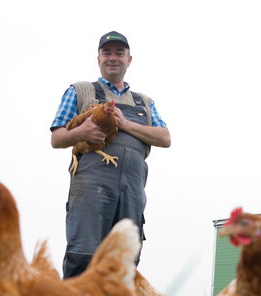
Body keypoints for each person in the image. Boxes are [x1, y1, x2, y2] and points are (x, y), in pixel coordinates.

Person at [50, 31, 171, 279]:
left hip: (131, 194)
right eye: (107, 53)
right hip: (90, 192)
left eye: (119, 53)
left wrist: (125, 125)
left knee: (124, 266)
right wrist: (81, 131)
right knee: (83, 258)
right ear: (98, 59)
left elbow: (165, 138)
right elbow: (56, 138)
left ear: (129, 60)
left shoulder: (144, 102)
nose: (112, 58)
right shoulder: (80, 91)